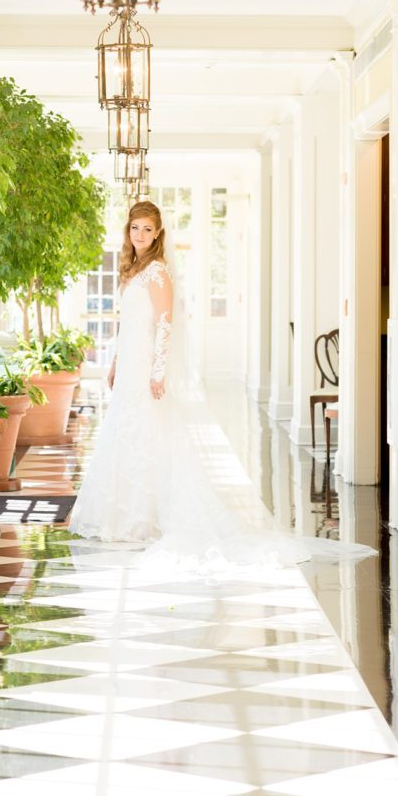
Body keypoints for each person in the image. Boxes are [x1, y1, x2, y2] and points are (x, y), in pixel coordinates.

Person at [69, 200, 374, 575]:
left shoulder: (158, 273)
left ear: (158, 233)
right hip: (129, 364)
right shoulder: (131, 271)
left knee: (149, 433)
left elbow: (165, 324)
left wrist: (158, 371)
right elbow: (127, 325)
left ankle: (146, 517)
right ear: (127, 231)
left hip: (147, 366)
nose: (140, 235)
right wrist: (116, 362)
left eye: (147, 229)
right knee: (125, 432)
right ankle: (121, 515)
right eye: (135, 228)